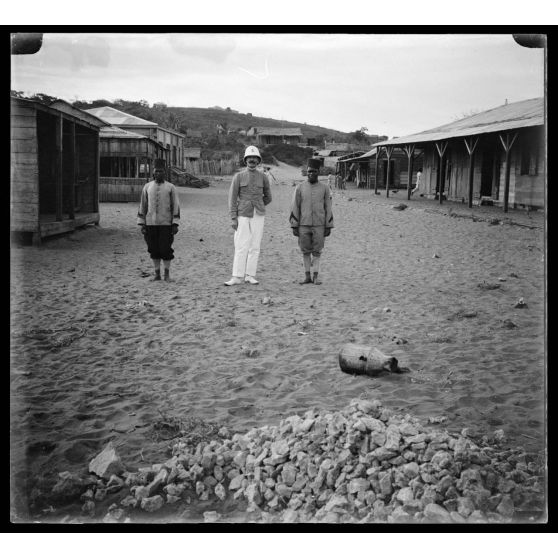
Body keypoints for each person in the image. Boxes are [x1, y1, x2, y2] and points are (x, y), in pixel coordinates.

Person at [224, 145, 272, 286]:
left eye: (255, 158)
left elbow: (268, 197)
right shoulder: (238, 177)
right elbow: (232, 198)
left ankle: (250, 275)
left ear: (258, 161)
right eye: (249, 158)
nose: (252, 160)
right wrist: (233, 217)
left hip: (258, 214)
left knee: (255, 245)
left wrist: (258, 204)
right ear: (245, 160)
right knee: (240, 245)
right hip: (242, 214)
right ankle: (237, 276)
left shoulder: (263, 177)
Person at [290, 158, 334, 285]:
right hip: (303, 224)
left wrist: (328, 225)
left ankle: (315, 277)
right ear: (306, 172)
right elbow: (295, 207)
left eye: (314, 171)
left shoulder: (325, 188)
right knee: (305, 251)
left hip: (320, 225)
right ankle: (307, 276)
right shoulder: (299, 188)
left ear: (318, 172)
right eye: (309, 171)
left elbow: (328, 207)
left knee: (317, 251)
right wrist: (294, 225)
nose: (311, 174)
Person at [137, 159, 180, 281]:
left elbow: (175, 205)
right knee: (153, 249)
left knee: (165, 249)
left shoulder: (171, 188)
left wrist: (175, 224)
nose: (159, 174)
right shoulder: (147, 187)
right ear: (153, 173)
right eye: (157, 171)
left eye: (161, 171)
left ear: (165, 173)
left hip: (166, 224)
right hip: (150, 224)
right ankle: (157, 274)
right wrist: (142, 224)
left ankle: (167, 275)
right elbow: (142, 205)